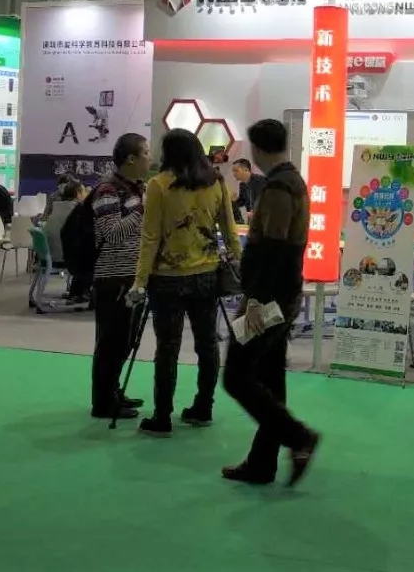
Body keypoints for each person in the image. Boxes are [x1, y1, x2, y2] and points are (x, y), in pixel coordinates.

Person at [222, 119, 320, 487]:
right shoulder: (293, 181)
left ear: (258, 149)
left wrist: (254, 301)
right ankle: (262, 463)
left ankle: (299, 437)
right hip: (282, 294)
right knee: (269, 379)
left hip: (267, 299)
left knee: (236, 376)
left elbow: (274, 250)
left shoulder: (279, 187)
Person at [130, 129, 242, 437]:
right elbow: (230, 230)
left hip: (167, 279)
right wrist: (239, 264)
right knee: (207, 344)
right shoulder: (216, 182)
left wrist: (140, 281)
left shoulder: (158, 185)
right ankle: (203, 407)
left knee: (167, 347)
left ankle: (162, 416)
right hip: (207, 275)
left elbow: (150, 238)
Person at [89, 133, 152, 420]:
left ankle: (113, 390)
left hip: (131, 275)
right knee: (110, 341)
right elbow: (111, 233)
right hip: (112, 276)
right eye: (146, 153)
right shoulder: (108, 190)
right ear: (131, 159)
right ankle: (103, 402)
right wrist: (142, 208)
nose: (150, 158)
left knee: (125, 339)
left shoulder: (136, 188)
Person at [231, 158, 267, 223]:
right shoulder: (242, 185)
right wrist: (233, 201)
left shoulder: (261, 181)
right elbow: (242, 201)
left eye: (236, 171)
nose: (234, 174)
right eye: (233, 171)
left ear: (246, 170)